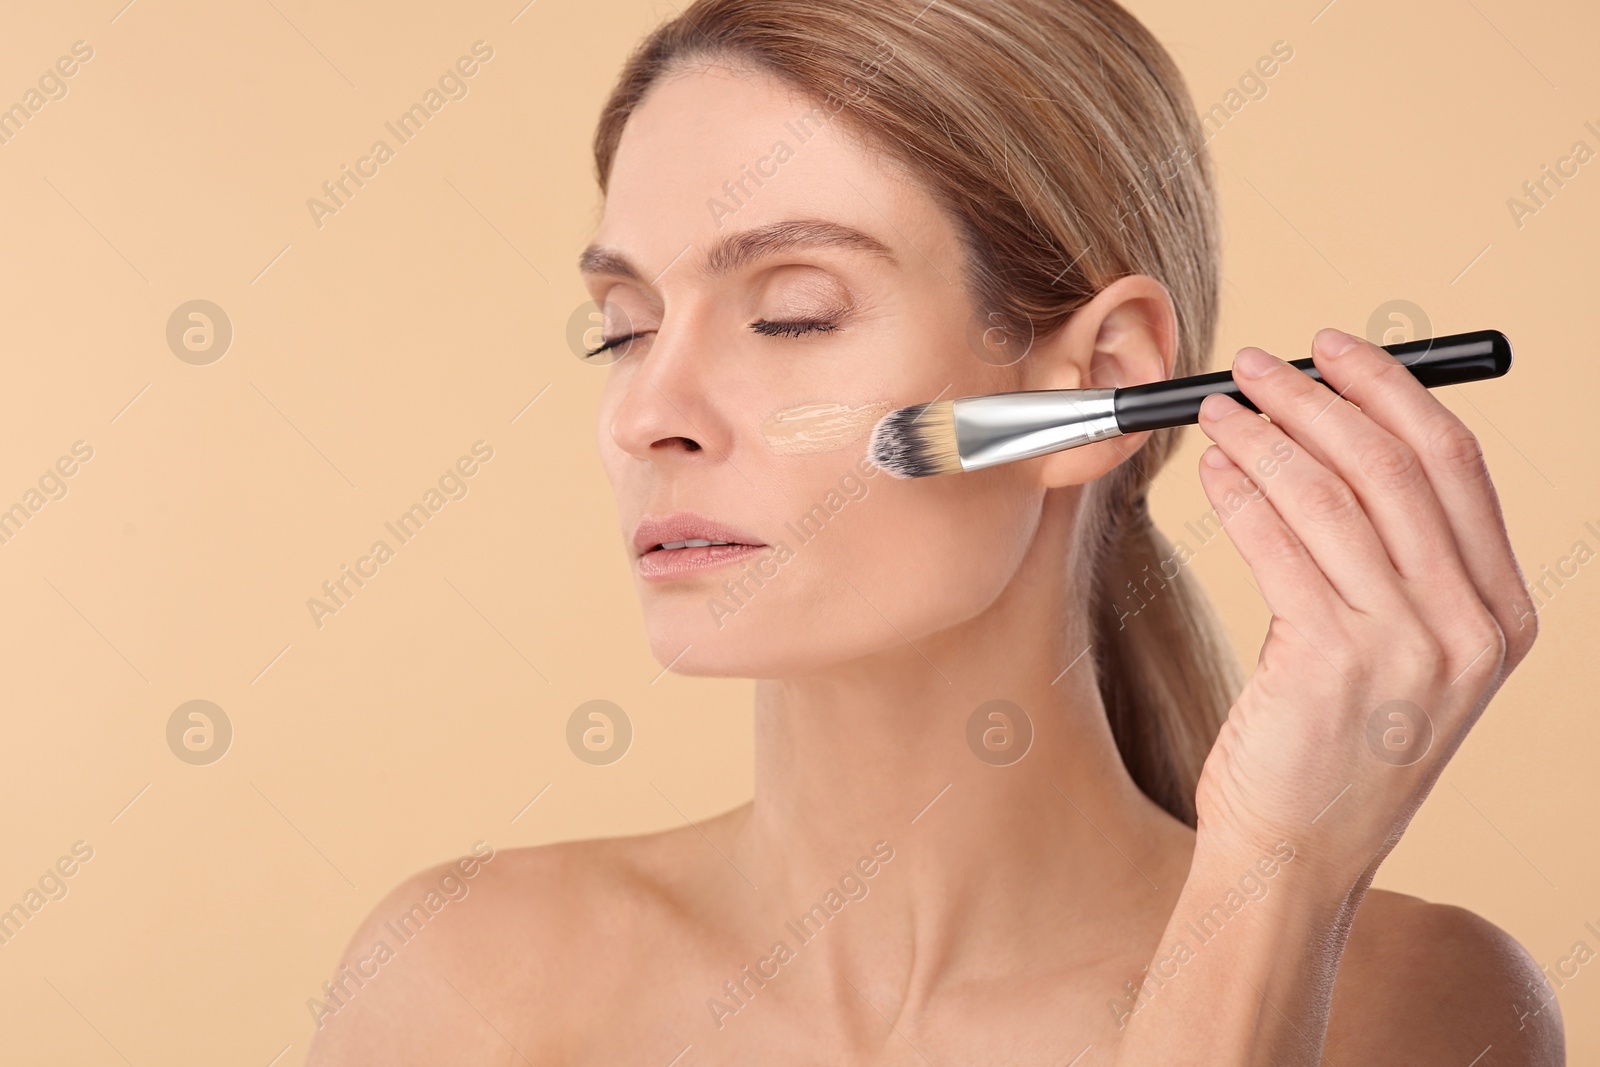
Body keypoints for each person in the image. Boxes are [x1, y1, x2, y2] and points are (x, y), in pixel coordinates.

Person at [306, 0, 1562, 1061]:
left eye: (792, 312)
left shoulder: (1417, 1005)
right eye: (623, 326)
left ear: (1092, 386)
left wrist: (1272, 888)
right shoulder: (467, 981)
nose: (645, 413)